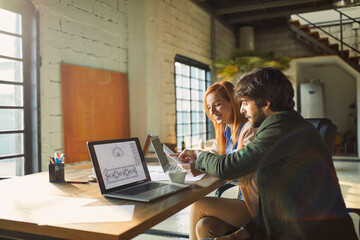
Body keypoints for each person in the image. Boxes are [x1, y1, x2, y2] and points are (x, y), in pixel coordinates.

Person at [178, 67, 357, 240]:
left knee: (201, 210)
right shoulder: (283, 124)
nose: (241, 109)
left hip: (310, 234)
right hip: (292, 226)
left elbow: (231, 166)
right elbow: (276, 203)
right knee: (207, 226)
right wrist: (242, 234)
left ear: (265, 103)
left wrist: (198, 155)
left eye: (246, 103)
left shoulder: (280, 127)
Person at [185, 81, 258, 240]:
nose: (213, 111)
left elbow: (239, 169)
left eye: (218, 105)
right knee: (205, 226)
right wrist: (194, 164)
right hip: (242, 200)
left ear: (233, 102)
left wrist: (203, 163)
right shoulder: (225, 131)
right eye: (209, 107)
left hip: (259, 207)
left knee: (199, 205)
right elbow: (212, 160)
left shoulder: (248, 128)